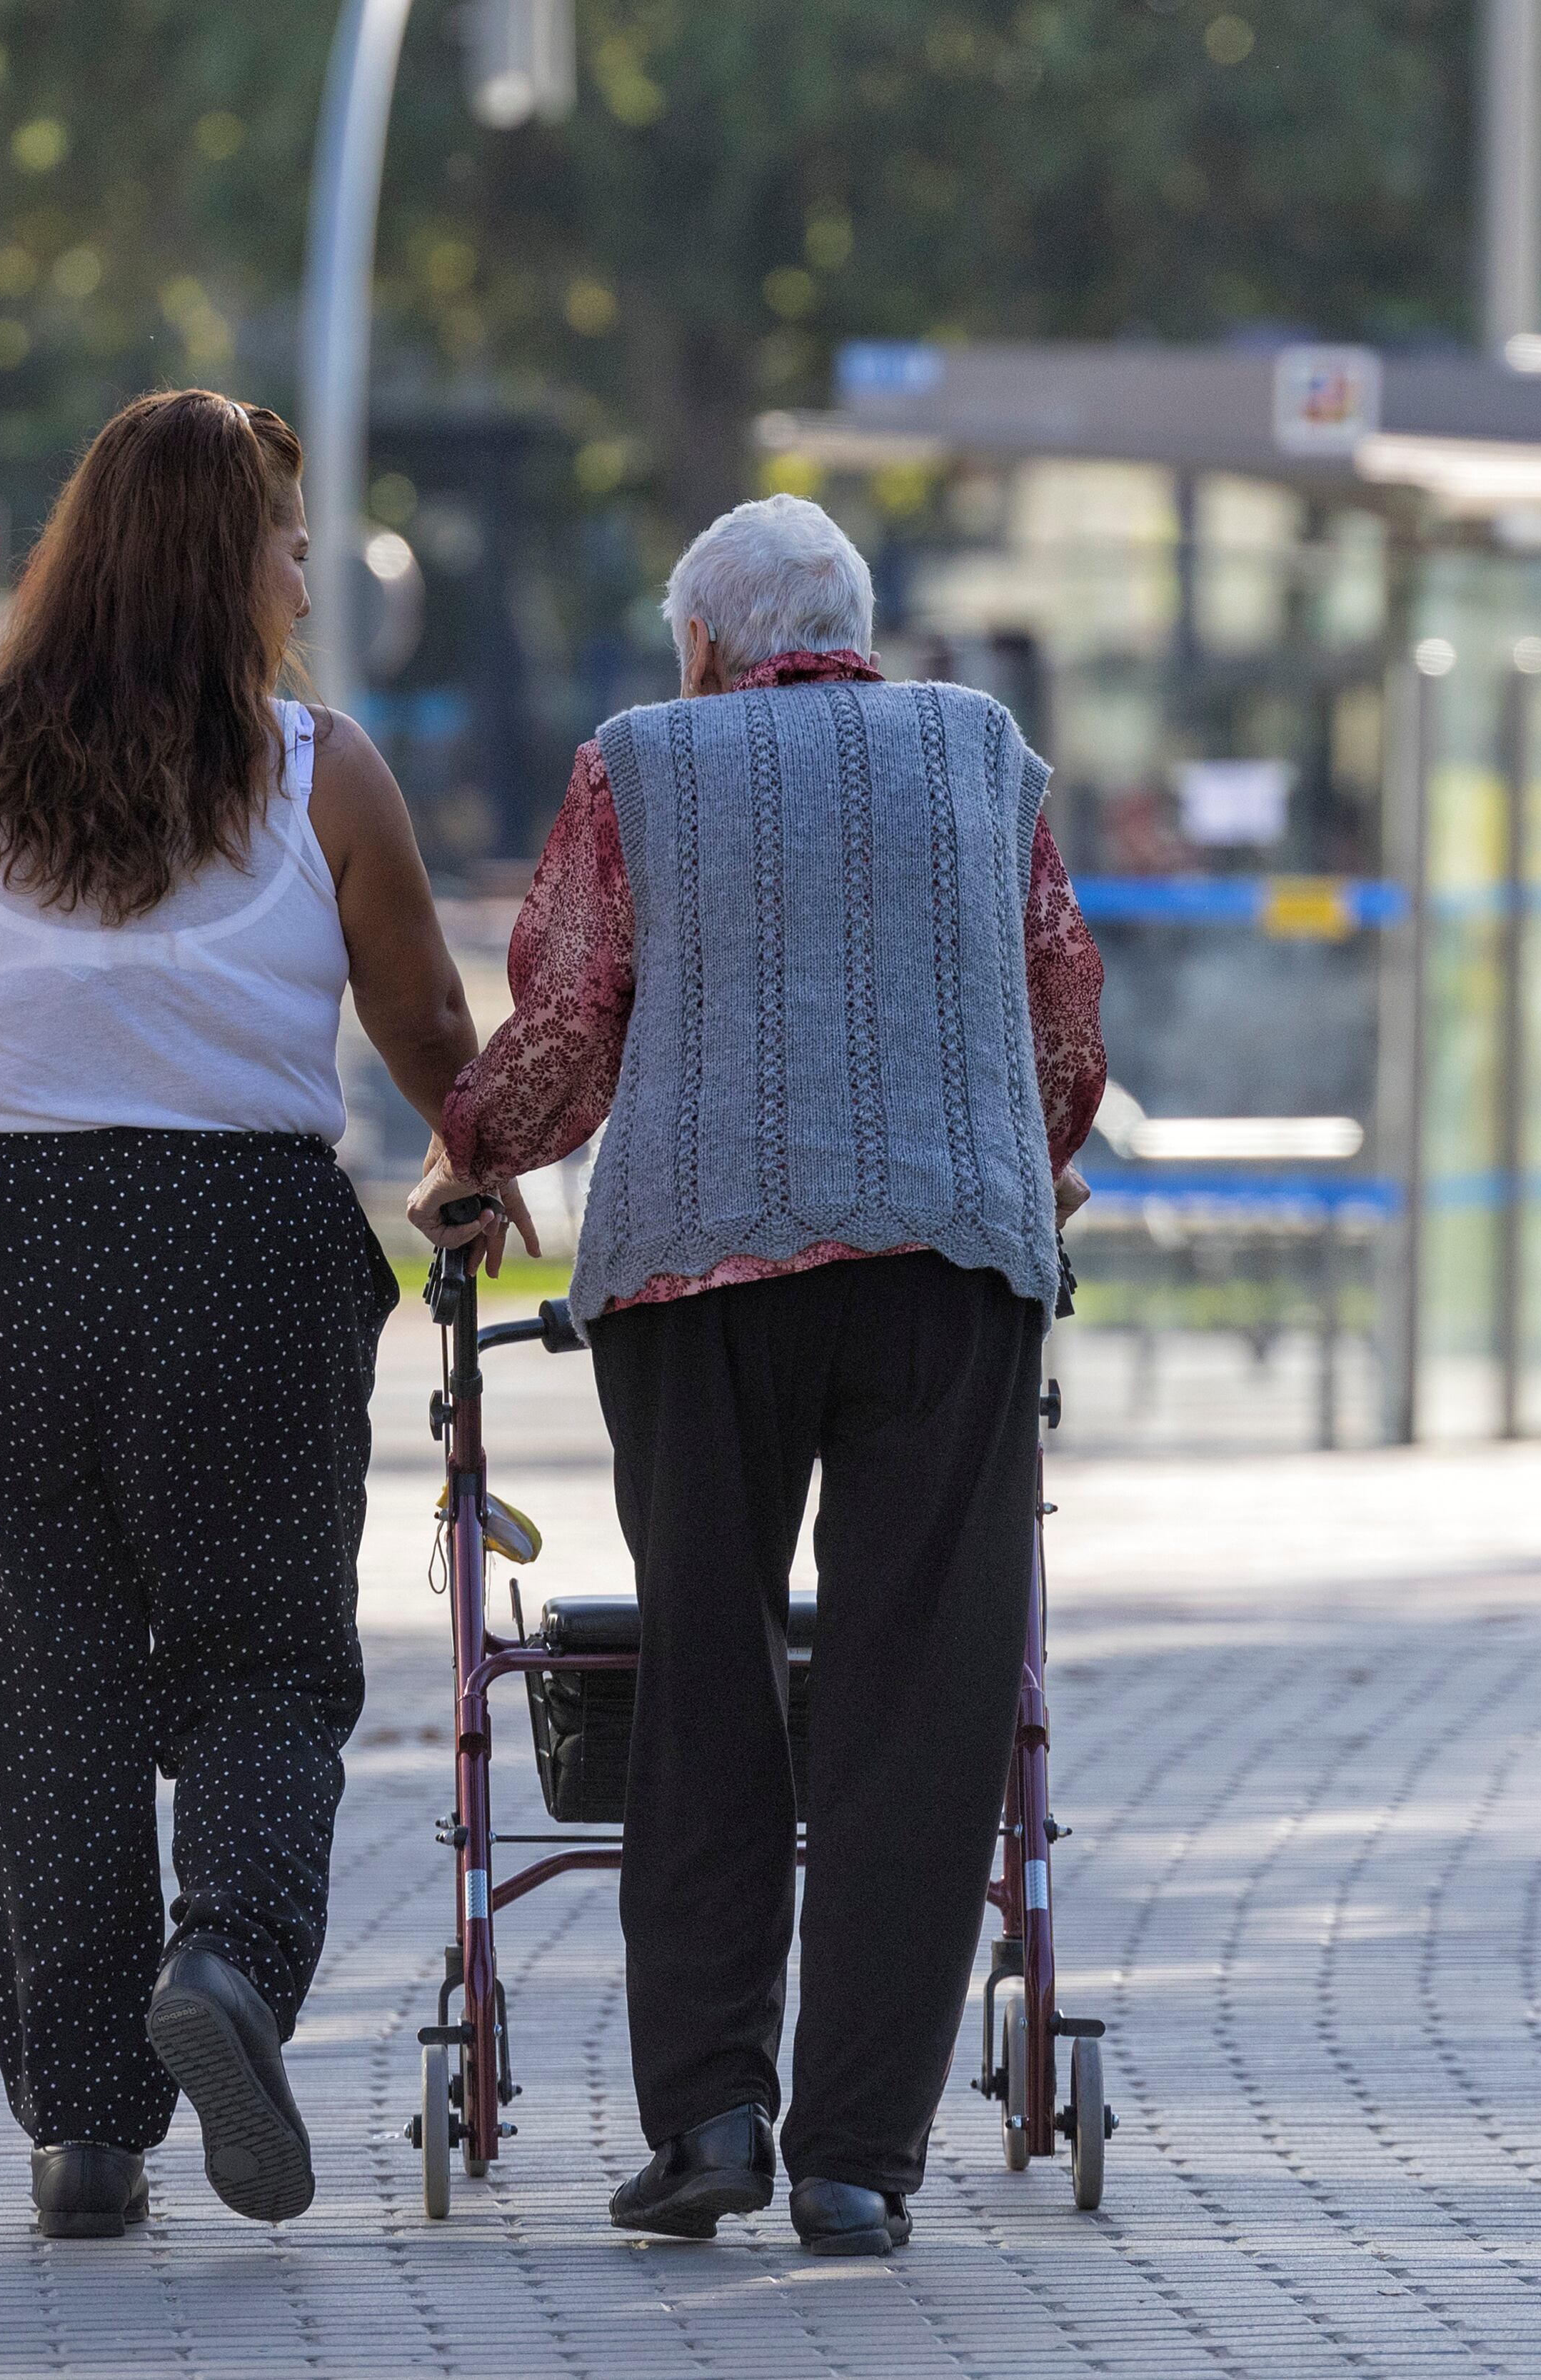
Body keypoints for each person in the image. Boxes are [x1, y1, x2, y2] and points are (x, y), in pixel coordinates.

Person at [0, 389, 498, 2240]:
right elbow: (423, 1025)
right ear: (236, 563)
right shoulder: (322, 771)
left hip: (5, 1252)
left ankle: (89, 2127)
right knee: (263, 1653)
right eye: (292, 541)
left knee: (46, 1688)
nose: (308, 574)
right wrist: (490, 1170)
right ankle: (231, 1962)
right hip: (242, 1246)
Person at [415, 494, 1105, 2257]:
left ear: (706, 645)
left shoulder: (641, 759)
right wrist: (1035, 1150)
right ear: (853, 630)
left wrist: (473, 1157)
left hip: (700, 1279)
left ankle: (710, 2111)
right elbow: (1059, 1011)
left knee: (708, 1670)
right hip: (949, 1264)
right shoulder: (982, 751)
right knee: (919, 1695)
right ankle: (861, 2154)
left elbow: (576, 1016)